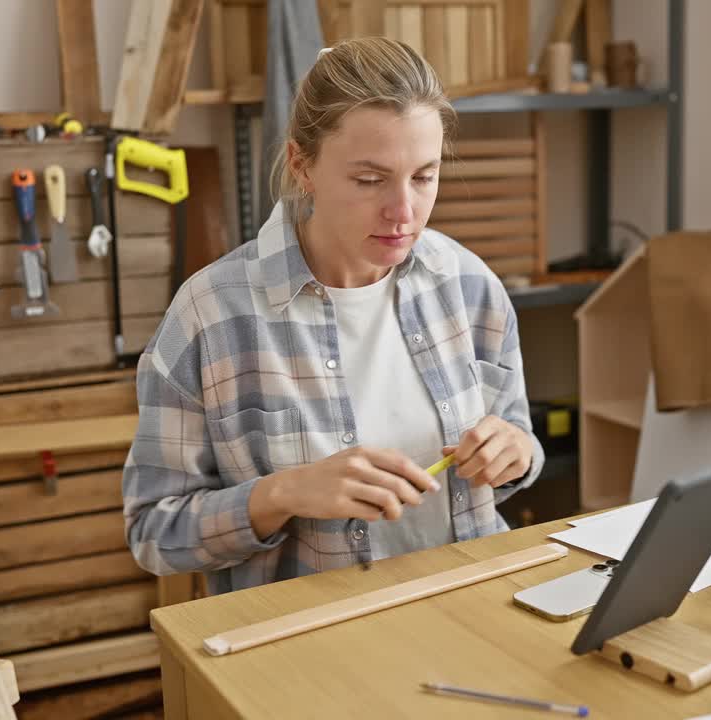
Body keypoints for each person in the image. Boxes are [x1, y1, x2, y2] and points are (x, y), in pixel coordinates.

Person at [122, 37, 544, 595]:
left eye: (424, 176)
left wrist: (517, 454)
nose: (403, 211)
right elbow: (154, 533)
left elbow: (517, 447)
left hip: (468, 609)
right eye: (369, 180)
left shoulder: (468, 284)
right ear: (303, 166)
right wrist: (283, 494)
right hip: (307, 643)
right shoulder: (210, 316)